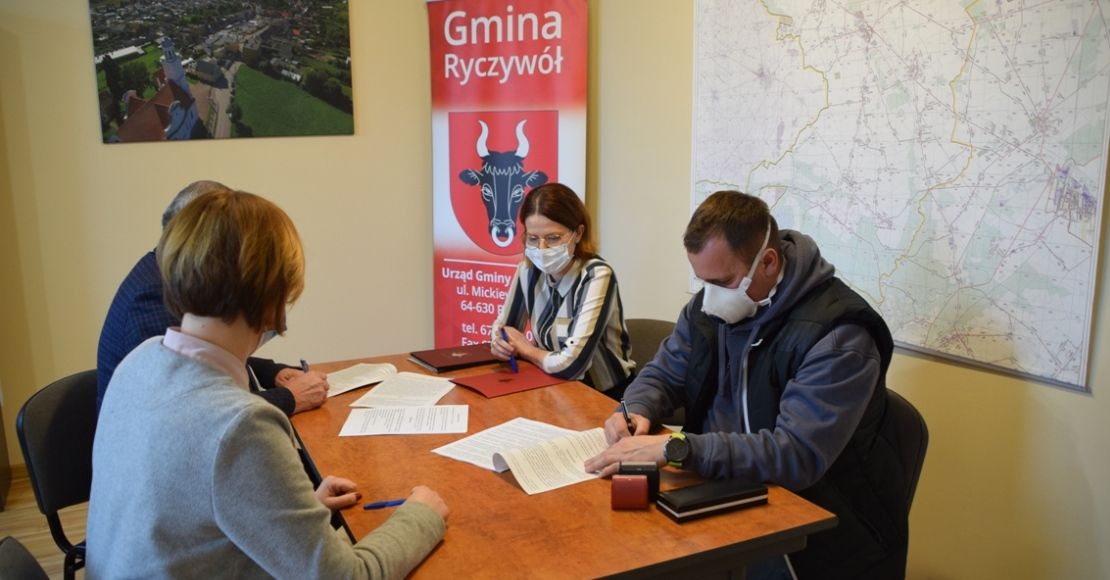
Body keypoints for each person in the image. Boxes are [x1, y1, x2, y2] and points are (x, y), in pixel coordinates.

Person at [88, 187, 449, 577]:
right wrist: (421, 516)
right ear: (275, 297)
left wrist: (286, 510)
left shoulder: (138, 362)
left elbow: (187, 508)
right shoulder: (241, 426)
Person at [584, 191, 906, 579]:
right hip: (717, 491)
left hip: (810, 529)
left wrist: (676, 448)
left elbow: (796, 455)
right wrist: (635, 408)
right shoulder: (712, 305)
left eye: (722, 281)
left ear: (768, 262)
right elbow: (665, 372)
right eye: (703, 281)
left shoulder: (838, 336)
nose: (710, 297)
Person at [96, 180, 328, 417]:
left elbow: (205, 360)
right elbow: (195, 410)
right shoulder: (151, 299)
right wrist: (290, 397)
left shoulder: (163, 281)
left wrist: (271, 372)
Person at [490, 183, 635, 397]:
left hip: (604, 394)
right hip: (550, 384)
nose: (541, 249)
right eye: (533, 238)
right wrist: (500, 344)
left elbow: (571, 365)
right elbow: (506, 330)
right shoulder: (527, 270)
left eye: (553, 238)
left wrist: (526, 349)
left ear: (578, 233)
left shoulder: (597, 275)